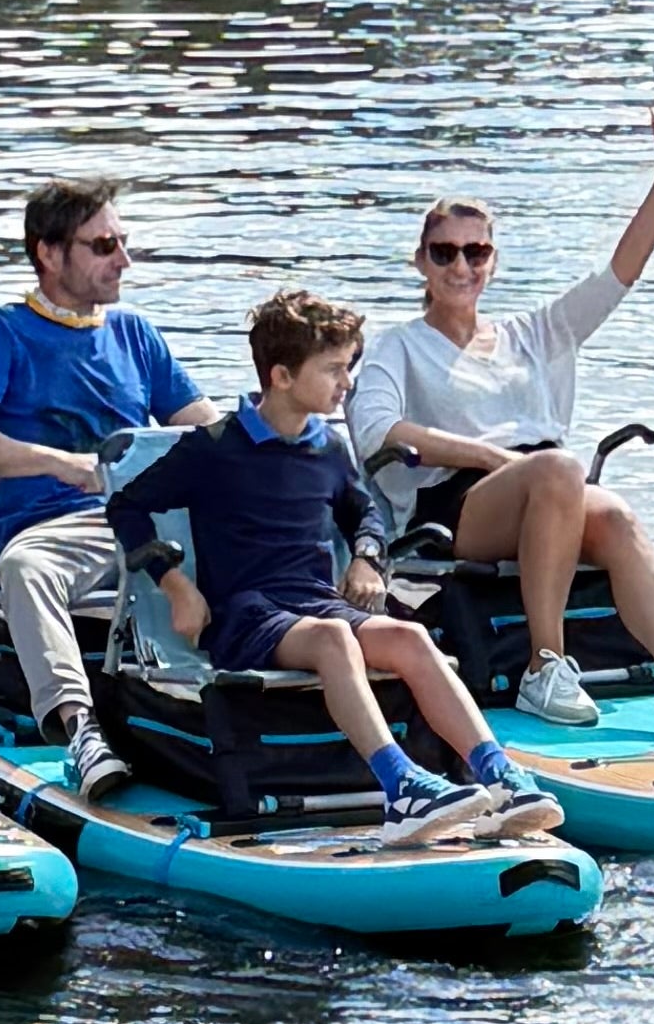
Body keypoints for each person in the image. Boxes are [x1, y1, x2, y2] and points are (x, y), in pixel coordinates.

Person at [106, 290, 559, 834]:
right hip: (245, 615)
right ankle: (403, 788)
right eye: (335, 370)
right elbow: (126, 505)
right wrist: (176, 584)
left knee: (411, 638)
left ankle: (499, 776)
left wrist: (366, 559)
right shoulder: (214, 447)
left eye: (350, 367)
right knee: (334, 639)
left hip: (315, 603)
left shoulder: (329, 448)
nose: (348, 383)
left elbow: (364, 515)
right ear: (281, 376)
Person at [349, 105, 654, 746]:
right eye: (444, 253)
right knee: (559, 469)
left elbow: (621, 274)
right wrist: (489, 460)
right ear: (421, 262)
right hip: (459, 505)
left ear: (493, 261)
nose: (461, 266)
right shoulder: (398, 347)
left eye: (476, 252)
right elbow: (377, 431)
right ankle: (544, 666)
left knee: (612, 514)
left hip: (550, 487)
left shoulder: (535, 334)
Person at [0, 175, 224, 803]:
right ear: (49, 252)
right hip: (60, 525)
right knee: (25, 566)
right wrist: (61, 463)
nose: (123, 260)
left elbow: (203, 427)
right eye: (103, 246)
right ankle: (80, 729)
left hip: (143, 520)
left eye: (123, 242)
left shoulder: (135, 334)